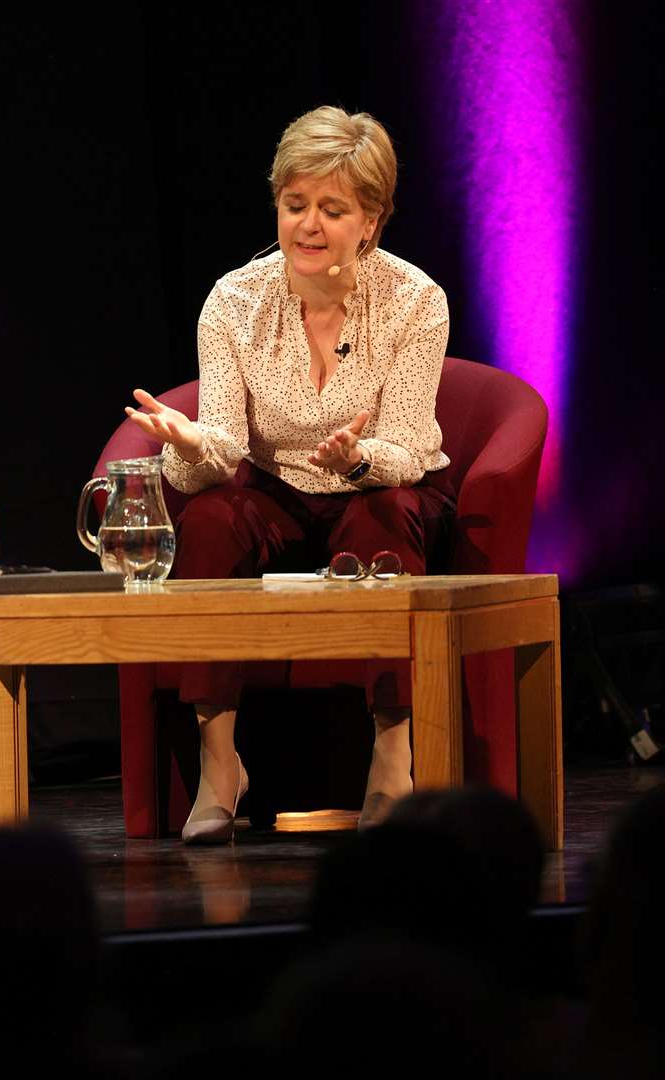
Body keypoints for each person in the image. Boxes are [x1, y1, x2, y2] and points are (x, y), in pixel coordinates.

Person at [124, 106, 454, 842]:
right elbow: (223, 454)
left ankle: (393, 757)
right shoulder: (233, 302)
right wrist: (185, 444)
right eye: (294, 204)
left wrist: (357, 460)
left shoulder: (414, 302)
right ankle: (219, 767)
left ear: (370, 221)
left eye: (332, 210)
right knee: (208, 520)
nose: (308, 225)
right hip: (273, 488)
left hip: (381, 487)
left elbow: (403, 443)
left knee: (382, 516)